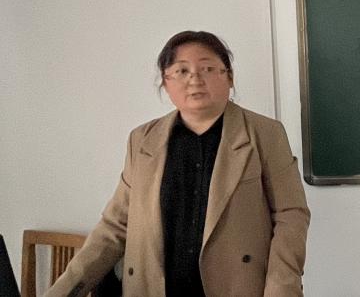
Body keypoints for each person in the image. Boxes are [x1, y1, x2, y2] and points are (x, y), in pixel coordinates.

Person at [48, 31, 310, 297]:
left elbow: (291, 215)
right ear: (165, 82)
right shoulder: (142, 140)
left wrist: (281, 288)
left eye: (207, 68)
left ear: (229, 77)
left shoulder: (265, 133)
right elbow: (116, 225)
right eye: (182, 71)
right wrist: (64, 290)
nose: (195, 79)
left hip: (237, 286)